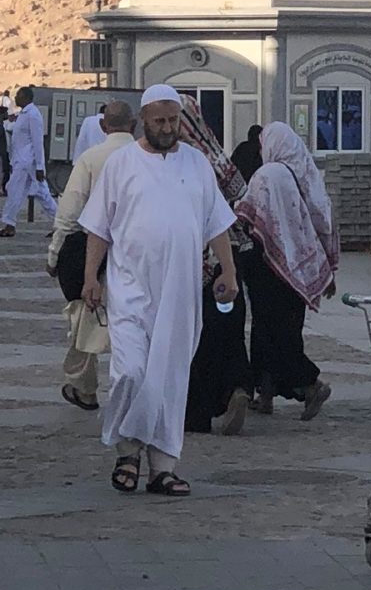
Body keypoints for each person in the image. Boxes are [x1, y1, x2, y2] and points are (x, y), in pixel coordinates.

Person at [78, 84, 238, 496]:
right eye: (159, 121)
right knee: (131, 372)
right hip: (130, 290)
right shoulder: (122, 164)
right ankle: (127, 451)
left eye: (173, 121)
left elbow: (217, 223)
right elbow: (99, 227)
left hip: (181, 292)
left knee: (168, 378)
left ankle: (161, 467)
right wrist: (90, 278)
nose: (167, 128)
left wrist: (229, 272)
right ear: (143, 121)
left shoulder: (197, 164)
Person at [234, 122, 336, 419]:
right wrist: (327, 268)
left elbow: (248, 212)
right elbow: (323, 221)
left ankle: (310, 383)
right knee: (285, 329)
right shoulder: (307, 172)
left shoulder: (267, 175)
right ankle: (265, 395)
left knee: (271, 333)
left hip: (268, 263)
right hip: (299, 267)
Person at [47, 101, 136, 412]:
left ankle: (85, 388)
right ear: (134, 124)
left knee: (87, 317)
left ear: (102, 126)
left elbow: (69, 212)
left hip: (93, 253)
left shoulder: (91, 158)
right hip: (138, 253)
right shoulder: (145, 158)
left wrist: (55, 253)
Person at [179, 96, 254, 436]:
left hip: (191, 263)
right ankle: (237, 389)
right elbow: (241, 193)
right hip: (228, 259)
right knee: (229, 328)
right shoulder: (216, 155)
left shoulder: (179, 161)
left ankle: (198, 413)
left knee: (195, 339)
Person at [0, 87, 57, 237]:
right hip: (22, 161)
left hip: (28, 163)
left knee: (14, 191)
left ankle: (9, 224)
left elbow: (38, 142)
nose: (16, 98)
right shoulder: (23, 114)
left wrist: (40, 166)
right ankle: (60, 224)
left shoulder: (33, 115)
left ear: (26, 97)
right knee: (41, 193)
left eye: (18, 95)